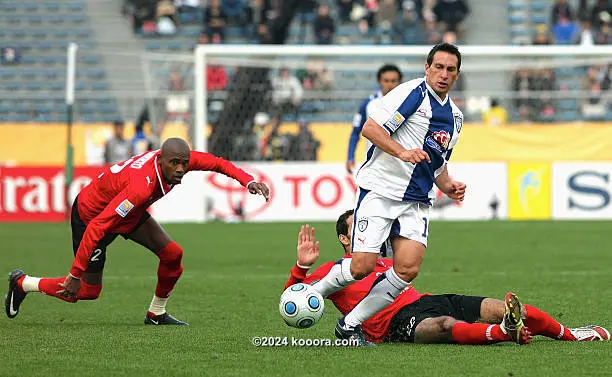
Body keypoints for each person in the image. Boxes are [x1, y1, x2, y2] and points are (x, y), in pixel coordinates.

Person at [5, 138, 270, 325]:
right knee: (86, 291)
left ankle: (156, 314)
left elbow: (218, 163)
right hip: (91, 217)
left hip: (126, 213)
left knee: (173, 255)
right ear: (161, 160)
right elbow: (99, 226)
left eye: (184, 163)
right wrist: (75, 273)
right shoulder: (140, 186)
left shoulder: (175, 163)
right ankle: (23, 283)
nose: (180, 168)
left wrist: (248, 181)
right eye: (174, 163)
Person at [312, 43, 467, 345]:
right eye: (438, 67)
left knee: (407, 269)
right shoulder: (411, 94)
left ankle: (349, 324)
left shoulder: (456, 118)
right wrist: (402, 152)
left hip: (417, 200)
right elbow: (370, 129)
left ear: (457, 75)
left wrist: (448, 185)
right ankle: (313, 291)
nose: (443, 74)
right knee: (362, 267)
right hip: (381, 190)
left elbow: (438, 162)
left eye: (450, 69)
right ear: (427, 67)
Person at [285, 211, 610, 345]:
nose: (367, 230)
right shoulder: (334, 270)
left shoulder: (385, 260)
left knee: (503, 305)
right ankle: (501, 333)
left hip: (424, 301)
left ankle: (572, 335)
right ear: (344, 239)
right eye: (358, 226)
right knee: (442, 327)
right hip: (391, 325)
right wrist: (301, 268)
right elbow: (293, 302)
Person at [346, 64, 403, 174]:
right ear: (379, 81)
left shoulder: (409, 104)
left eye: (393, 81)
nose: (390, 85)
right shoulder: (369, 105)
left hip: (401, 165)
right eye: (386, 80)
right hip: (374, 166)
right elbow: (355, 133)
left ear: (399, 82)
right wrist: (350, 157)